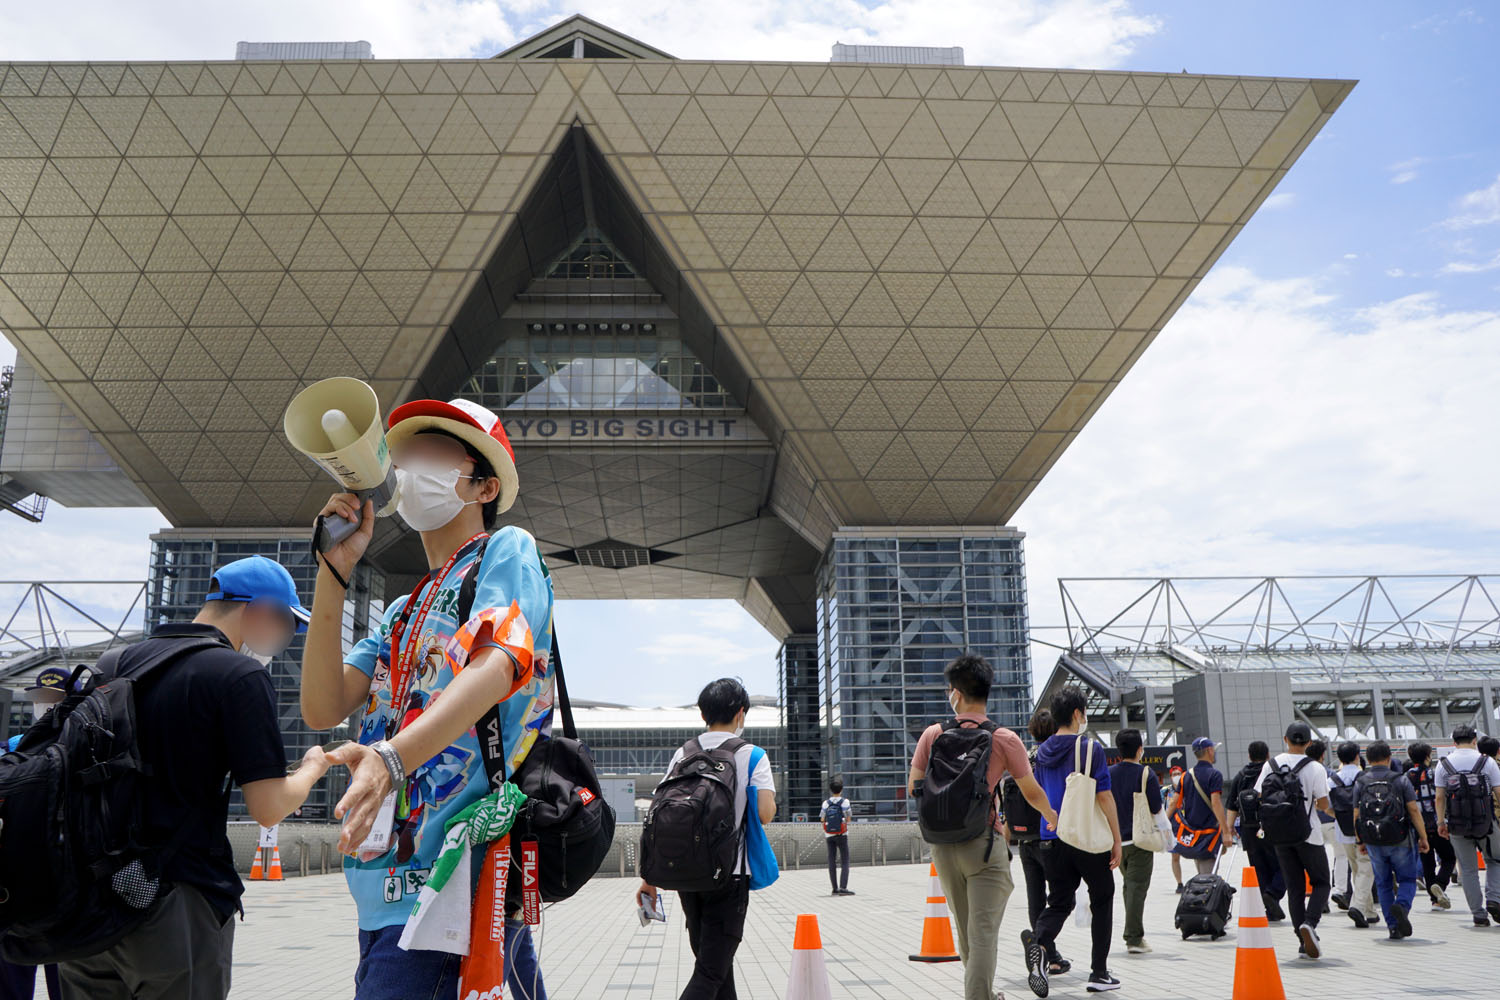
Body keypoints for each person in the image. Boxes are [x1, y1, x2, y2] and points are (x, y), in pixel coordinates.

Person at [299, 397, 555, 1000]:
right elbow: (322, 704)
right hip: (383, 885)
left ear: (483, 485)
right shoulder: (401, 609)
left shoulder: (504, 551)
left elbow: (500, 663)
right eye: (404, 452)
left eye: (433, 451)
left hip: (450, 883)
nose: (408, 464)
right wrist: (331, 572)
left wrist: (391, 758)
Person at [58, 556, 328, 1000]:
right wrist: (313, 767)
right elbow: (268, 806)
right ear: (258, 609)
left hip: (86, 904)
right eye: (286, 626)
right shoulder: (238, 674)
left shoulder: (114, 663)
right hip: (174, 903)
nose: (285, 640)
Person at [909, 655, 1057, 1000]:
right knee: (983, 934)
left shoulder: (933, 734)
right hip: (983, 845)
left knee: (967, 934)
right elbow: (1031, 790)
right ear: (986, 694)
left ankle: (986, 995)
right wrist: (1053, 816)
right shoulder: (1004, 739)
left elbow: (915, 785)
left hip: (943, 849)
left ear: (955, 694)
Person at [636, 678, 775, 1000]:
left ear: (702, 715)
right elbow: (765, 813)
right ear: (741, 713)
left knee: (714, 967)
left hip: (686, 875)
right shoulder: (752, 755)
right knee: (711, 972)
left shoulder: (683, 753)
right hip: (729, 875)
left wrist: (649, 879)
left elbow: (662, 816)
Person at [1022, 687, 1123, 996]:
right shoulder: (1089, 748)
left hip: (1051, 836)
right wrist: (1117, 840)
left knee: (1060, 901)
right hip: (1085, 837)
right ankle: (1099, 972)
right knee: (1102, 896)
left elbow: (1037, 793)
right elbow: (1104, 797)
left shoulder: (1039, 753)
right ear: (1079, 714)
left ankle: (1038, 942)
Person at [1254, 721, 1332, 960]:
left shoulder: (1271, 764)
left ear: (1285, 739)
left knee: (1295, 888)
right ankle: (1310, 923)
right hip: (1309, 834)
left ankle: (1302, 942)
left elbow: (1259, 795)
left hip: (1280, 836)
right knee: (1321, 882)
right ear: (1309, 743)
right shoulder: (1316, 768)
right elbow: (1323, 803)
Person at [1004, 709, 1071, 977]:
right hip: (1049, 834)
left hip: (1024, 840)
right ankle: (1045, 948)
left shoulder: (1024, 757)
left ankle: (1046, 952)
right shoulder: (1052, 757)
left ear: (1032, 731)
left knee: (1035, 898)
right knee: (1062, 898)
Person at [1353, 741, 1430, 941]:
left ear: (1368, 760)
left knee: (1383, 883)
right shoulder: (1400, 780)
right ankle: (1402, 906)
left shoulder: (1361, 782)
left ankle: (1393, 928)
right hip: (1401, 838)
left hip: (1373, 841)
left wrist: (1360, 840)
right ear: (1388, 758)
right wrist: (1423, 836)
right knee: (1406, 879)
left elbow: (1356, 815)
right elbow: (1413, 810)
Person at [1434, 725, 1500, 926]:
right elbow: (1498, 791)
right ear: (1474, 740)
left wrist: (1440, 822)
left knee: (1469, 869)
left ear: (1454, 742)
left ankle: (1478, 913)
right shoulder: (1486, 761)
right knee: (1495, 860)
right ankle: (1494, 898)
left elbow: (1439, 797)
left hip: (1456, 824)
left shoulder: (1443, 764)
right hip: (1486, 823)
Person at [1108, 728, 1164, 954]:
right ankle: (1134, 938)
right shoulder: (1146, 774)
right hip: (1140, 841)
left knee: (1129, 886)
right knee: (1136, 888)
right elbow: (1156, 807)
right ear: (1140, 749)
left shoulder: (1108, 772)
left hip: (1116, 842)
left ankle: (1133, 932)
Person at [1225, 740, 1286, 921]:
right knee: (1282, 865)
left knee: (1258, 868)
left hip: (1249, 830)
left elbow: (1231, 806)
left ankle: (1269, 907)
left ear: (1250, 756)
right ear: (1268, 755)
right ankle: (1273, 894)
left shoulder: (1241, 776)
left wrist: (1229, 828)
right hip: (1271, 827)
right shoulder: (1272, 772)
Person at [1329, 741, 1376, 927]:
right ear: (1357, 756)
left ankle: (1369, 911)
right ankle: (1357, 906)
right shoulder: (1365, 777)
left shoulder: (1332, 780)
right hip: (1365, 830)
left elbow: (1323, 805)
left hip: (1343, 831)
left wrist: (1338, 816)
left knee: (1357, 869)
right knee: (1366, 868)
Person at [1405, 741, 1455, 909]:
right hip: (1438, 824)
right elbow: (1444, 796)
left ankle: (1434, 900)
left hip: (1419, 828)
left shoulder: (1406, 777)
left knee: (1428, 864)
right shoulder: (1435, 774)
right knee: (1449, 858)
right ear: (1428, 756)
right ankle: (1440, 885)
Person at [1170, 737, 1231, 877]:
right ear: (1209, 750)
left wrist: (1164, 823)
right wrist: (1226, 831)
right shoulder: (1214, 774)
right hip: (1209, 835)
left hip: (1193, 835)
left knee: (1201, 870)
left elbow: (1174, 802)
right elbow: (1216, 803)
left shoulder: (1185, 775)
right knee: (1208, 877)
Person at [820, 778, 854, 896]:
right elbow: (848, 819)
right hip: (842, 834)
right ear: (841, 790)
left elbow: (822, 819)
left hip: (829, 835)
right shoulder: (845, 802)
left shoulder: (826, 803)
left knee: (831, 861)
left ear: (830, 790)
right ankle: (843, 887)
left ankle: (834, 888)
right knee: (845, 860)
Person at [1164, 766, 1185, 893]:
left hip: (1187, 825)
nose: (1177, 776)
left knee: (1196, 853)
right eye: (1174, 774)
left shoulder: (1188, 788)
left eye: (1179, 773)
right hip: (1173, 827)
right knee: (1175, 857)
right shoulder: (1165, 791)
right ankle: (1179, 883)